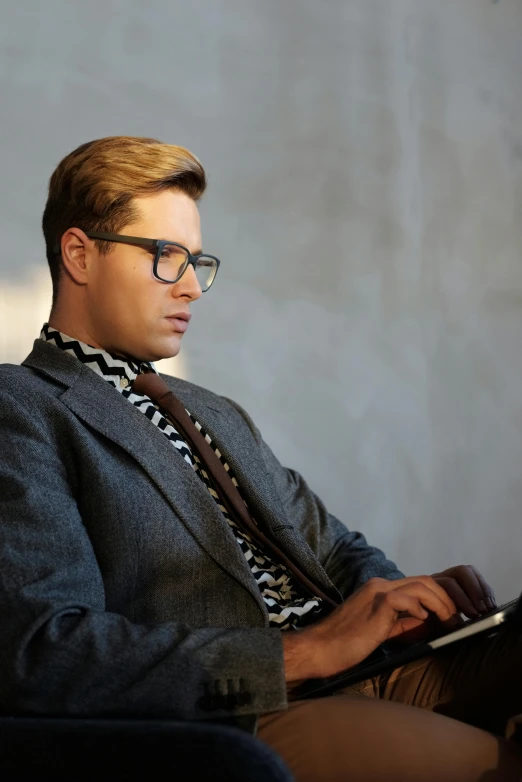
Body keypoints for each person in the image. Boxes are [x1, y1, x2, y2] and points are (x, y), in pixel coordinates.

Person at [0, 135, 520, 781]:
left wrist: (398, 603)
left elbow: (333, 549)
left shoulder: (212, 411)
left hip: (379, 670)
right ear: (80, 254)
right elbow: (48, 650)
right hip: (255, 710)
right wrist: (299, 654)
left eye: (196, 261)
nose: (191, 288)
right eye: (166, 256)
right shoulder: (21, 407)